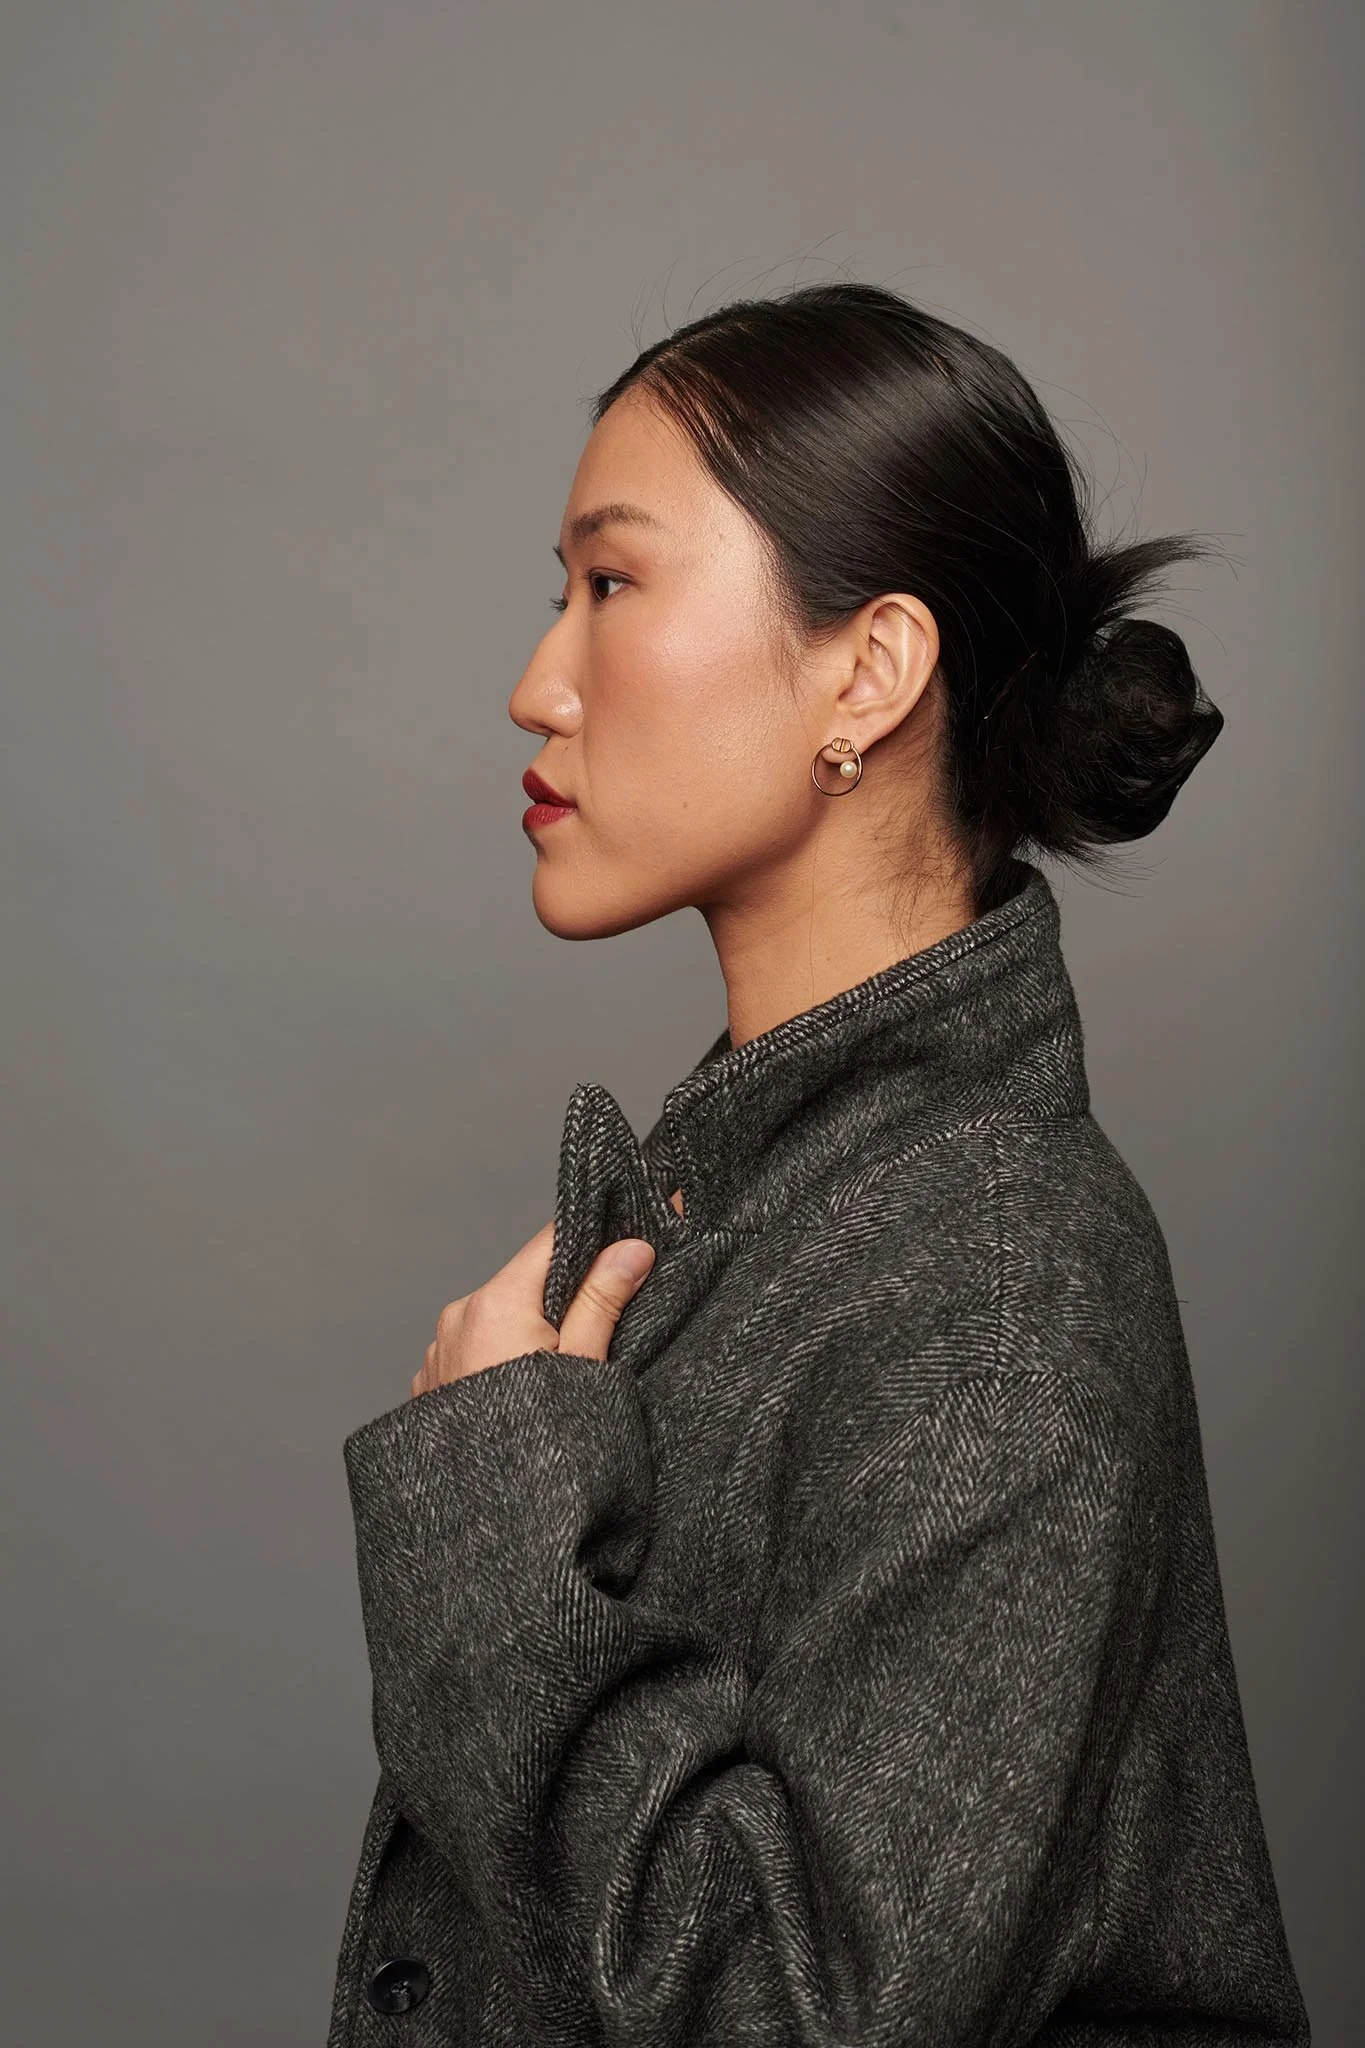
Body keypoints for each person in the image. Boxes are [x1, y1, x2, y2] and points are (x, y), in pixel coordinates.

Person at [326, 282, 1311, 2045]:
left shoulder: (998, 1274)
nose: (537, 683)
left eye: (611, 585)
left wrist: (496, 1525)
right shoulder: (782, 1208)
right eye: (558, 594)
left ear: (868, 671)